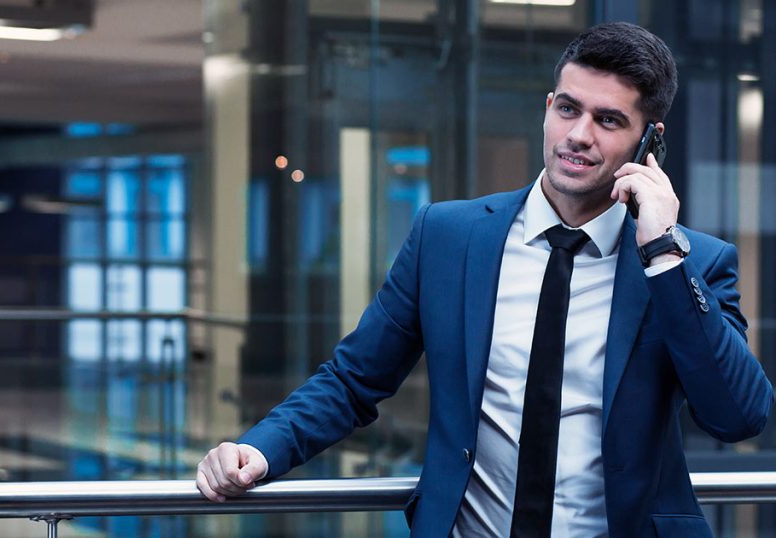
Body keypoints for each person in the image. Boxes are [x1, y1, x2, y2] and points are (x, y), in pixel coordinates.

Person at [196, 21, 773, 537]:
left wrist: (664, 257)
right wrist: (258, 449)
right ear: (548, 107)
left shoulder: (689, 263)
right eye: (568, 108)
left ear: (650, 143)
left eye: (609, 120)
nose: (579, 135)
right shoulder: (448, 236)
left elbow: (738, 416)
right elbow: (352, 379)